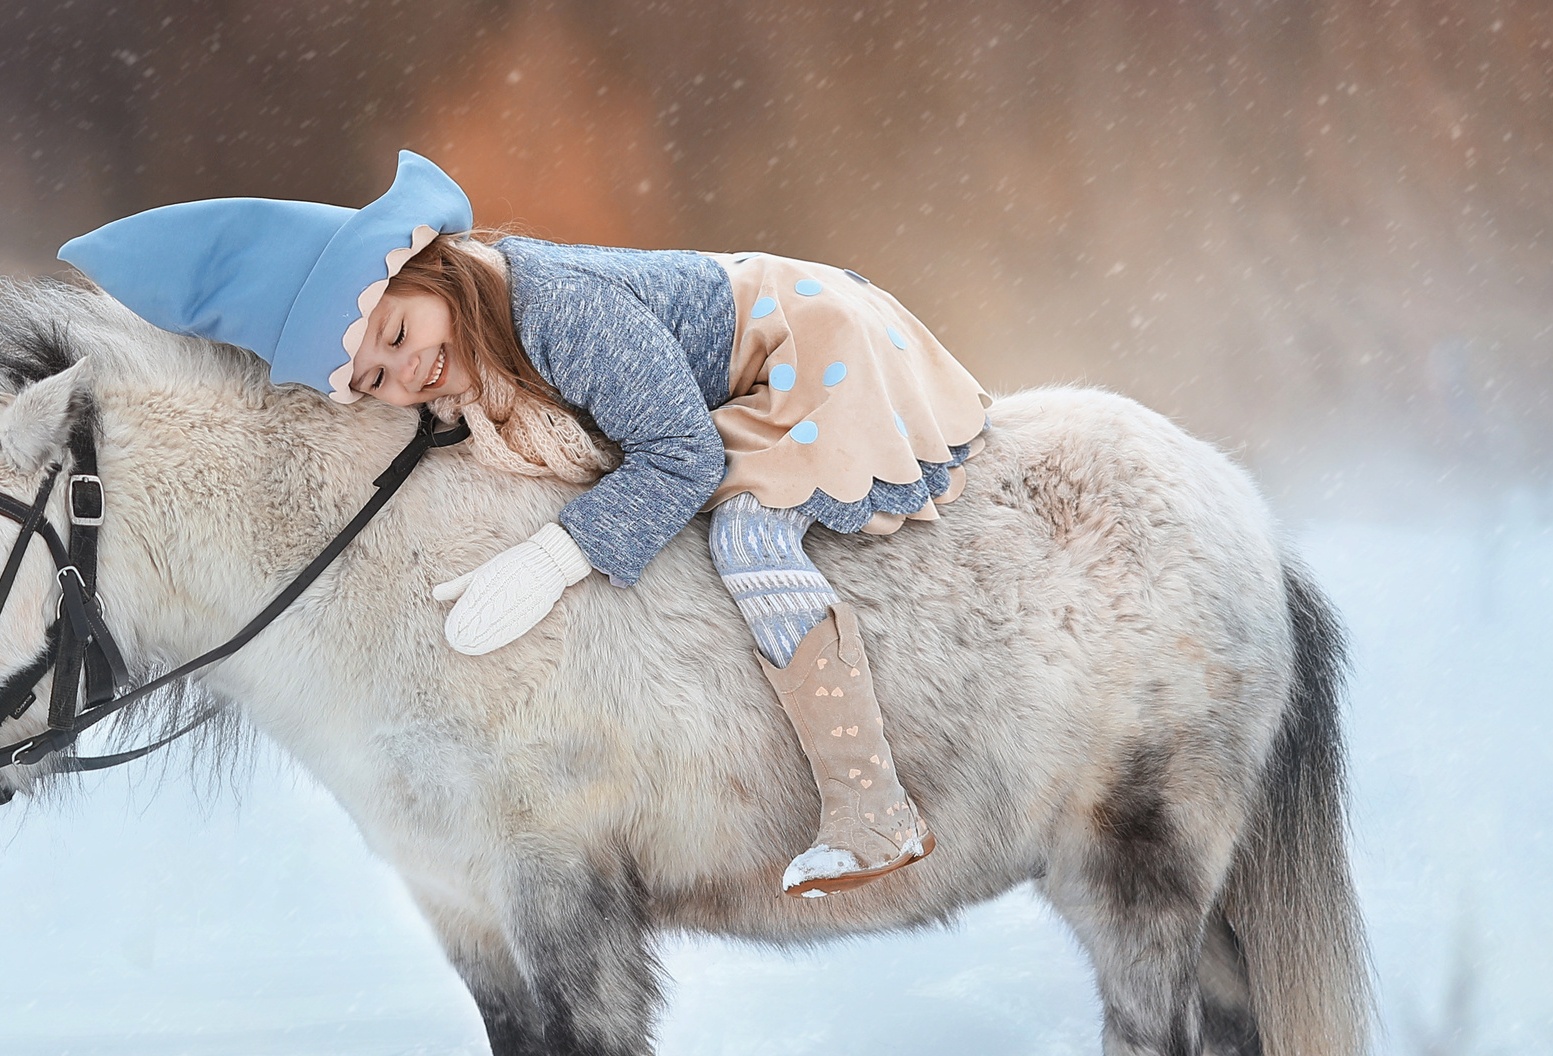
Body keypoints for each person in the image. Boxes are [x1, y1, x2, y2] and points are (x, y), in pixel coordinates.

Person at [60, 151, 991, 897]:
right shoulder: (469, 343)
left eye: (399, 333)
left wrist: (555, 557)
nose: (406, 372)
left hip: (805, 345)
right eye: (373, 377)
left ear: (433, 270)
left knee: (747, 537)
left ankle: (873, 808)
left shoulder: (562, 314)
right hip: (729, 364)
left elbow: (683, 454)